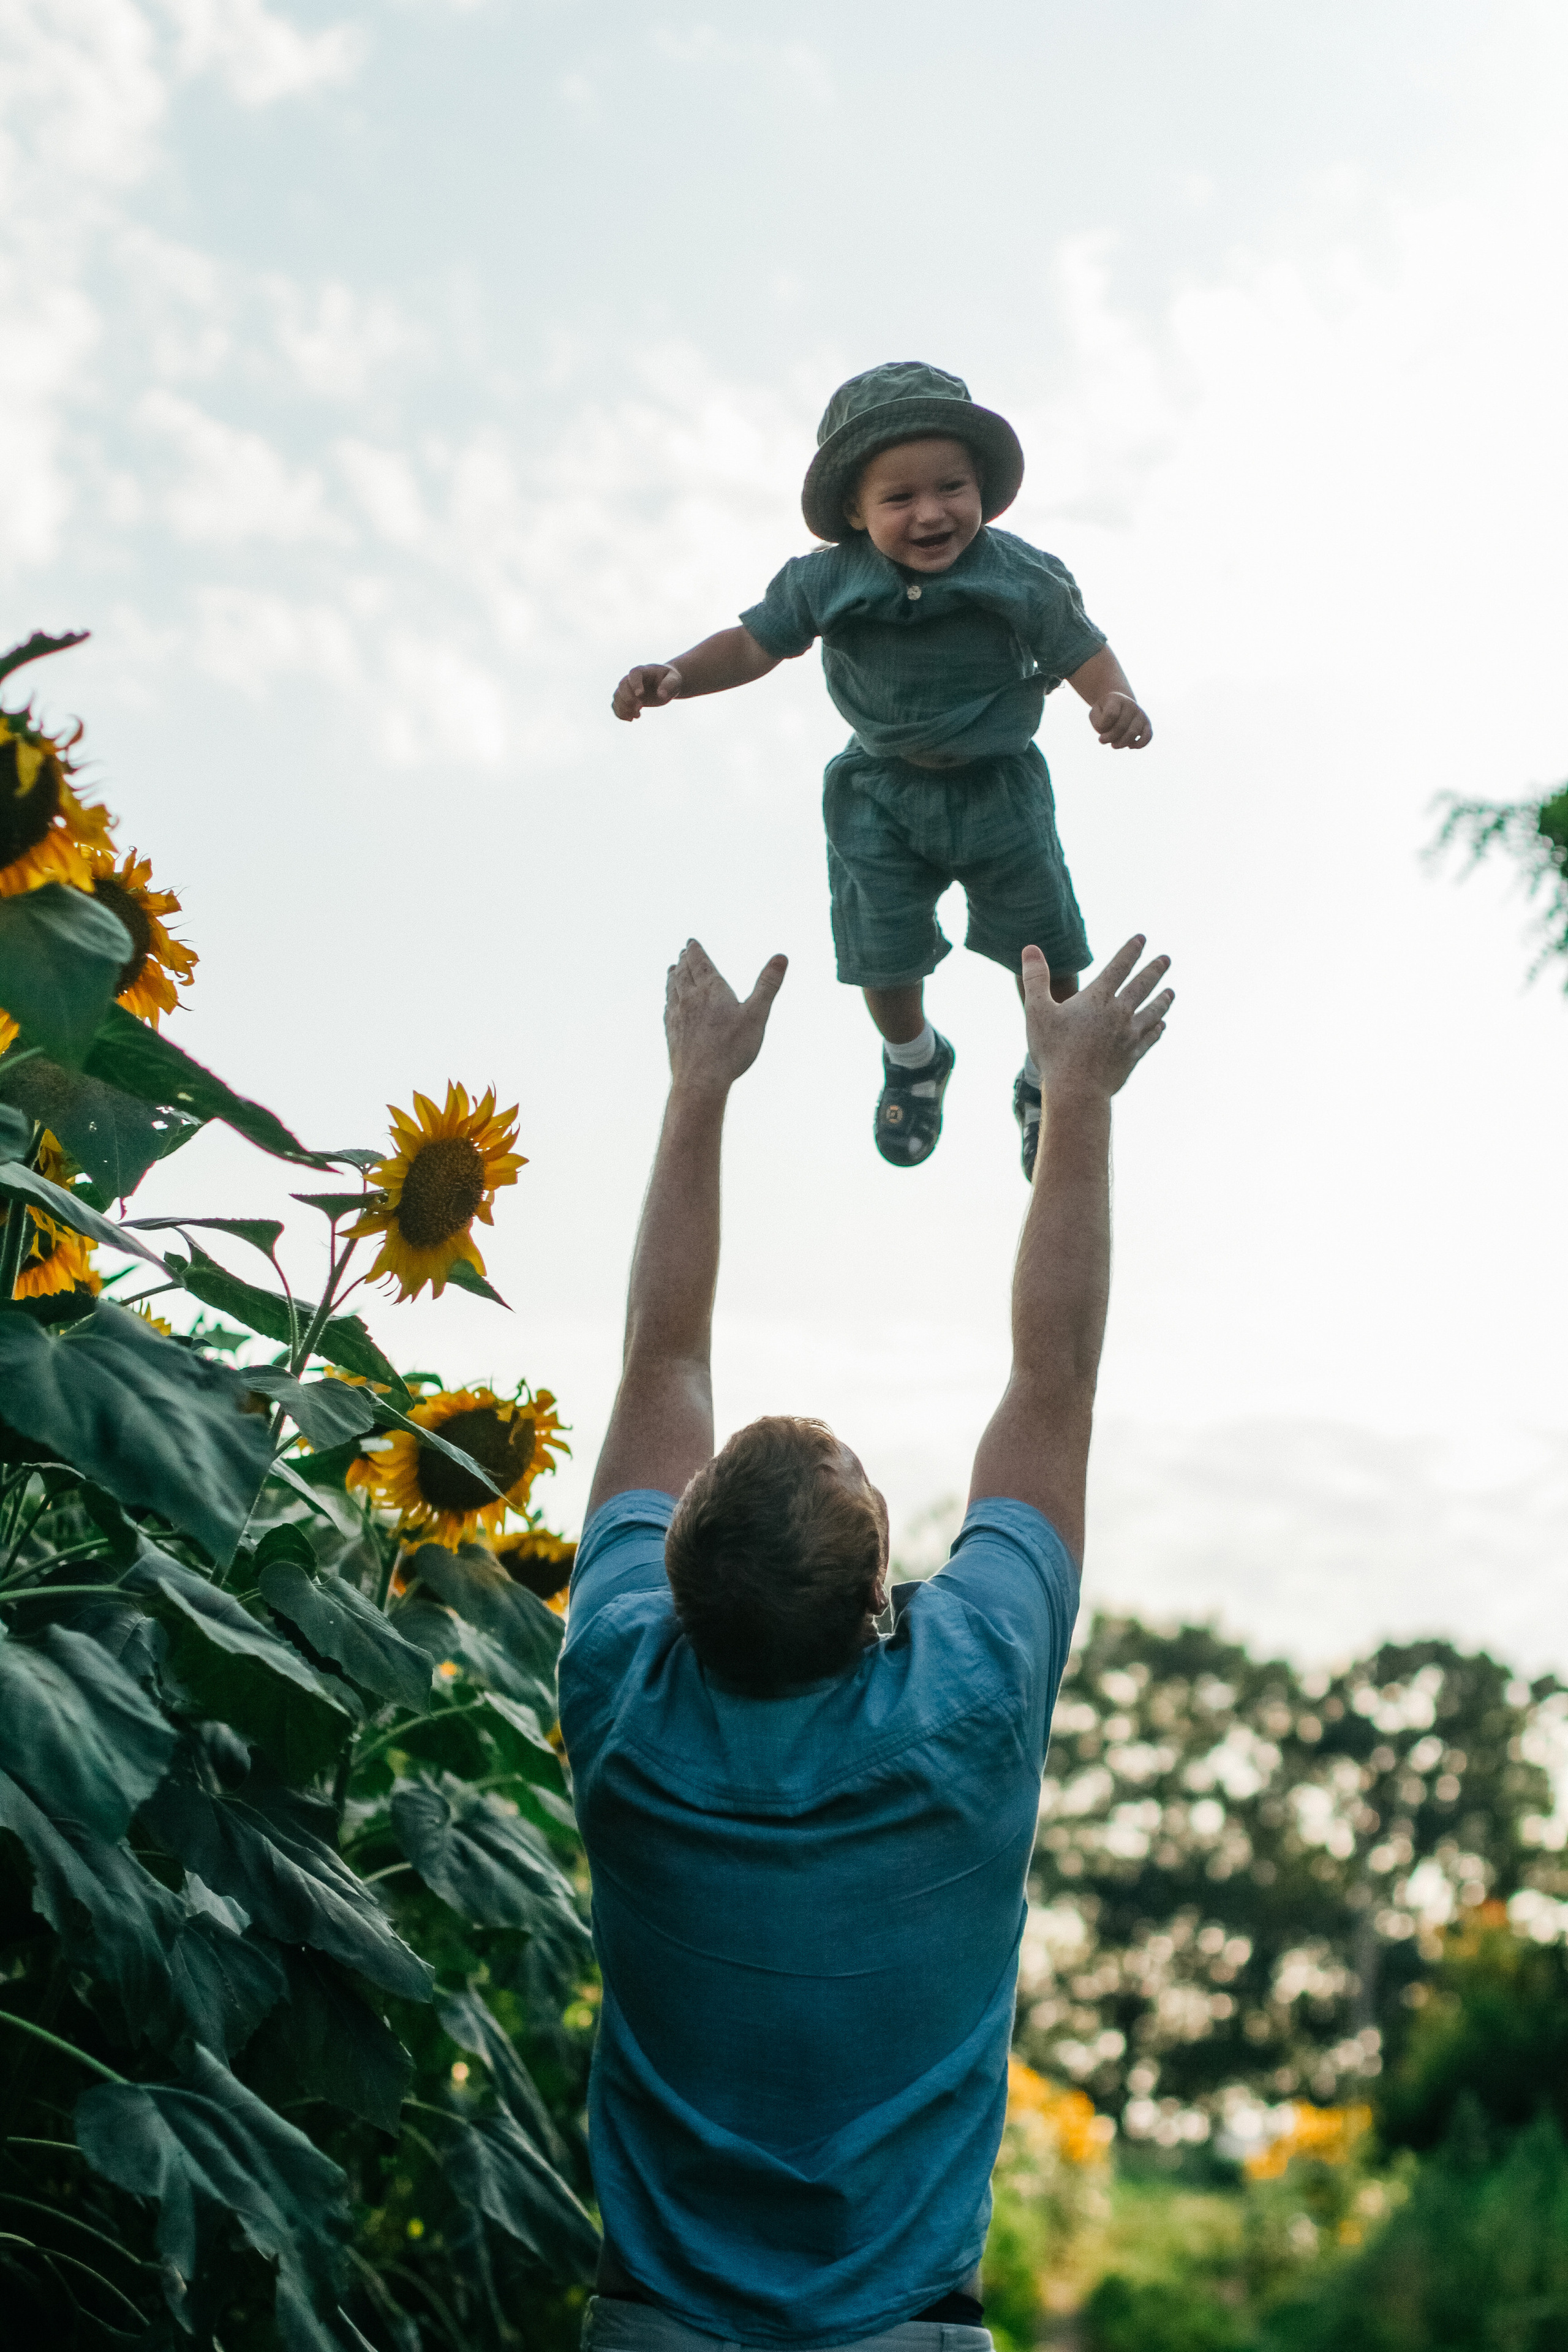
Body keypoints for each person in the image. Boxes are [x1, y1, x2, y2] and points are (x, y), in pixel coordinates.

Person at [557, 929, 1174, 2350]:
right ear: (879, 1607)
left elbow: (661, 1360)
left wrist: (696, 1088)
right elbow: (1052, 1374)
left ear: (669, 1565)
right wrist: (1072, 1098)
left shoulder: (619, 1689)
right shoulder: (973, 1692)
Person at [609, 360, 1154, 1180]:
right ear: (855, 515)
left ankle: (1051, 1073)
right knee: (881, 949)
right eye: (899, 499)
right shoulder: (826, 580)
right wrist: (680, 675)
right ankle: (914, 1058)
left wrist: (1113, 701)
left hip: (998, 787)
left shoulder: (1019, 574)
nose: (931, 513)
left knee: (1046, 947)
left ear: (981, 488)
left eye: (952, 488)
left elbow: (1083, 649)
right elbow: (755, 643)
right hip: (880, 791)